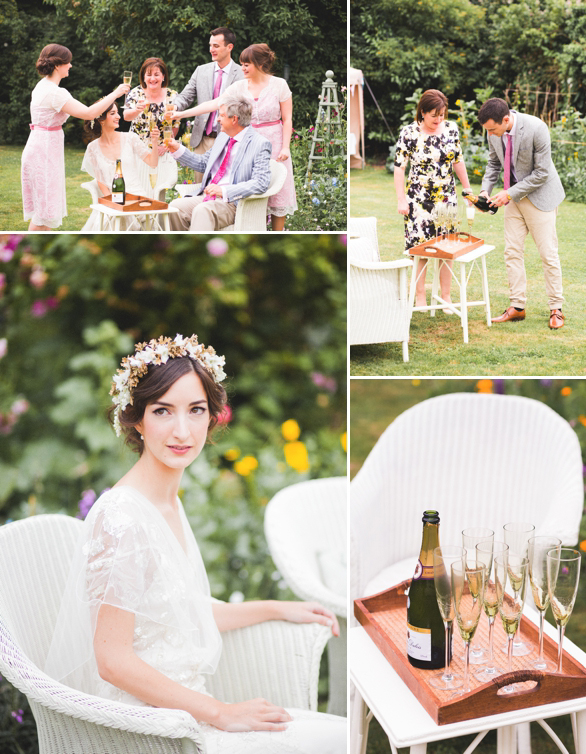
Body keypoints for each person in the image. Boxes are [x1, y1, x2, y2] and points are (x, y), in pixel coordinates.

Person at [44, 335, 346, 754]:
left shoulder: (164, 501)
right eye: (162, 411)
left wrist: (278, 608)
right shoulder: (123, 518)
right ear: (136, 419)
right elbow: (112, 659)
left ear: (211, 417)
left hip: (190, 711)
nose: (182, 430)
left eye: (196, 410)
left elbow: (177, 614)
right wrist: (220, 712)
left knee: (339, 738)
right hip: (150, 728)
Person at [172, 43, 297, 231]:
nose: (243, 68)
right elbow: (215, 104)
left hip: (274, 141)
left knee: (276, 198)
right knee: (244, 183)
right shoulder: (239, 86)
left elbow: (287, 119)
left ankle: (276, 235)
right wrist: (181, 114)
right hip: (243, 137)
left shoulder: (279, 84)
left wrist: (285, 147)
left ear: (260, 63)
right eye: (242, 64)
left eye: (247, 64)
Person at [477, 98, 566, 329]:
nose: (491, 134)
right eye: (488, 130)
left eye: (493, 129)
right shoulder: (492, 130)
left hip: (540, 196)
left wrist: (508, 194)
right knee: (512, 252)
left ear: (506, 119)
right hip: (513, 198)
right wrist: (484, 192)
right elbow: (493, 164)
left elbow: (542, 173)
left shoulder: (537, 128)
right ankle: (517, 306)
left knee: (548, 254)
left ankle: (556, 308)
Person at [21, 43, 130, 230]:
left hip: (40, 148)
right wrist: (117, 93)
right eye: (68, 62)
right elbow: (89, 113)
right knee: (44, 215)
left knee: (44, 213)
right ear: (57, 65)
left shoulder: (44, 86)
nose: (70, 65)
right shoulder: (54, 93)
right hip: (44, 153)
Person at [394, 89, 473, 310]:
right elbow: (399, 169)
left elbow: (457, 161)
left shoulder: (451, 130)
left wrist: (467, 190)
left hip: (446, 198)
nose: (438, 120)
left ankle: (446, 296)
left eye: (442, 114)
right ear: (422, 112)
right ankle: (420, 297)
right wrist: (401, 200)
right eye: (433, 115)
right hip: (418, 200)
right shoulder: (409, 133)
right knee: (420, 250)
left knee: (446, 250)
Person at [166, 91, 272, 231]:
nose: (217, 119)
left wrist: (224, 190)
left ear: (234, 119)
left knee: (203, 210)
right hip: (207, 197)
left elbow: (260, 183)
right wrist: (177, 149)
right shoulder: (223, 136)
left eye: (221, 115)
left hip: (233, 203)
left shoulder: (260, 144)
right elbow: (203, 163)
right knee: (174, 207)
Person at [173, 27, 243, 182]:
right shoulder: (201, 70)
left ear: (229, 47)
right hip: (201, 139)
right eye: (210, 45)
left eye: (216, 46)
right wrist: (175, 107)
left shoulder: (242, 74)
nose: (211, 49)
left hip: (228, 138)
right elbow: (185, 96)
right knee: (200, 186)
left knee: (223, 185)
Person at [80, 103, 160, 231]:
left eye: (117, 112)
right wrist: (111, 200)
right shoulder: (92, 148)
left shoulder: (130, 138)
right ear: (101, 120)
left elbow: (153, 163)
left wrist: (155, 143)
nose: (118, 116)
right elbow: (100, 180)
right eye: (112, 113)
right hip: (113, 198)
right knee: (106, 222)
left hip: (136, 196)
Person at [123, 57, 178, 192]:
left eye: (156, 74)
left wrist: (165, 145)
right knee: (137, 189)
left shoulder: (172, 95)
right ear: (143, 77)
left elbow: (175, 124)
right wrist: (137, 110)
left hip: (161, 152)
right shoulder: (136, 93)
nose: (152, 78)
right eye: (148, 75)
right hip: (137, 150)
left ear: (163, 76)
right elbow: (126, 117)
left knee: (157, 189)